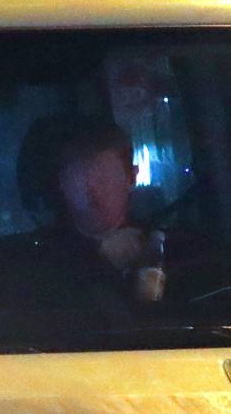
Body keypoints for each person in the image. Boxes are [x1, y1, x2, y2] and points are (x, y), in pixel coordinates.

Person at [19, 115, 165, 307]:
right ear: (61, 184)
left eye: (104, 176)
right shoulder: (38, 260)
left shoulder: (163, 246)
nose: (92, 189)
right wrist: (99, 260)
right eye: (79, 177)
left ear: (131, 177)